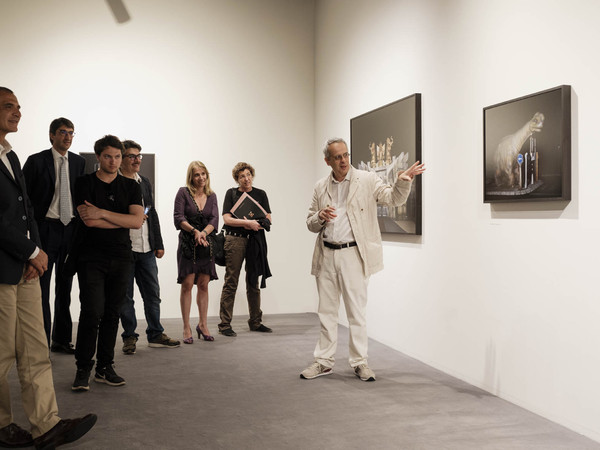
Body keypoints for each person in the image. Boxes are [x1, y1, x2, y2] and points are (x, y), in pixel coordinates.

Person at [0, 87, 96, 449]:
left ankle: (46, 424)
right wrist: (31, 250)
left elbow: (25, 211)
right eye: (8, 106)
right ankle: (2, 425)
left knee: (36, 347)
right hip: (4, 267)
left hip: (25, 261)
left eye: (19, 106)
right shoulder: (26, 158)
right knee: (2, 352)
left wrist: (33, 253)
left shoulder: (10, 156)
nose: (18, 112)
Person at [300, 138, 425, 382]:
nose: (343, 160)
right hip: (326, 254)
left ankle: (360, 362)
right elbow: (309, 223)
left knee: (356, 313)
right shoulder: (320, 186)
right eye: (337, 157)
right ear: (327, 160)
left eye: (346, 155)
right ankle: (323, 361)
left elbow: (392, 198)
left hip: (353, 255)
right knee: (326, 312)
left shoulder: (366, 180)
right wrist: (320, 217)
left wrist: (402, 182)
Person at [71, 135, 144, 391]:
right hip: (91, 257)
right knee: (92, 311)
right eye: (108, 156)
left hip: (122, 256)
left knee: (113, 313)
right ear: (98, 157)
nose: (113, 161)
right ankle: (83, 368)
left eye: (117, 156)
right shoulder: (84, 183)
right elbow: (87, 221)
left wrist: (101, 212)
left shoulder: (132, 187)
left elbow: (136, 222)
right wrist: (120, 218)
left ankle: (105, 366)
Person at [22, 117, 85, 354]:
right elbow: (25, 201)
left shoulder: (78, 163)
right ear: (52, 135)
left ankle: (61, 340)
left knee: (65, 289)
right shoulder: (36, 161)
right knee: (42, 290)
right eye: (62, 132)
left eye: (71, 132)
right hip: (45, 229)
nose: (67, 136)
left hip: (70, 230)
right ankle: (41, 342)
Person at [119, 140, 180, 354]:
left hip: (146, 248)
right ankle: (129, 337)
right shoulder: (116, 182)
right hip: (125, 249)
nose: (137, 160)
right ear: (122, 158)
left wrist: (159, 243)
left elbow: (151, 212)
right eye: (132, 156)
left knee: (152, 293)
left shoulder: (144, 181)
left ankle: (155, 333)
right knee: (125, 297)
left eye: (139, 156)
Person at [218, 162, 272, 337]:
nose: (246, 178)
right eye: (242, 176)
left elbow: (268, 219)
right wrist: (247, 223)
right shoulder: (231, 193)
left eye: (248, 174)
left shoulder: (260, 194)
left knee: (253, 281)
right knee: (231, 281)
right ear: (237, 179)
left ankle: (256, 322)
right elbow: (227, 219)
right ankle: (225, 324)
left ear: (252, 175)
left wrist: (257, 223)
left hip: (255, 241)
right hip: (235, 240)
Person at [174, 161, 218, 343]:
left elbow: (215, 220)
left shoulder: (212, 195)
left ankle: (203, 324)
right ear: (191, 177)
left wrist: (204, 233)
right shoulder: (183, 192)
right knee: (187, 284)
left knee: (204, 285)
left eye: (203, 174)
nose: (201, 178)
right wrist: (195, 232)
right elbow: (178, 217)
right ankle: (186, 328)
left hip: (206, 246)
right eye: (197, 174)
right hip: (188, 244)